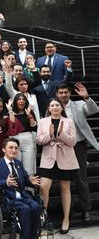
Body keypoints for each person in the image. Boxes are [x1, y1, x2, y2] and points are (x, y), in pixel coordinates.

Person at [56, 82, 99, 222]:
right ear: (57, 94)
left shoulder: (79, 105)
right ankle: (68, 211)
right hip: (62, 147)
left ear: (70, 93)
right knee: (65, 181)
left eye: (66, 92)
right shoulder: (54, 107)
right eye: (61, 93)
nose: (63, 95)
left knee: (81, 179)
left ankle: (86, 210)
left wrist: (87, 98)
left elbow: (94, 110)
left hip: (78, 146)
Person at [36, 98, 79, 234]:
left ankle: (66, 219)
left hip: (65, 158)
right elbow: (38, 140)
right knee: (43, 186)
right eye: (52, 105)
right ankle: (43, 217)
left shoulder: (69, 121)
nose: (54, 107)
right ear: (49, 108)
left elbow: (73, 142)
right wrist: (49, 136)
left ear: (61, 108)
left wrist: (62, 134)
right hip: (48, 159)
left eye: (57, 105)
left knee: (65, 188)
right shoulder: (43, 122)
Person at [0, 138, 42, 239]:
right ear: (4, 149)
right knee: (25, 209)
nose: (14, 150)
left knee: (36, 206)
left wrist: (31, 181)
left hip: (22, 195)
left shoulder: (18, 163)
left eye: (16, 148)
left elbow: (25, 179)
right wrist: (5, 182)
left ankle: (33, 236)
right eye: (10, 147)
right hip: (7, 197)